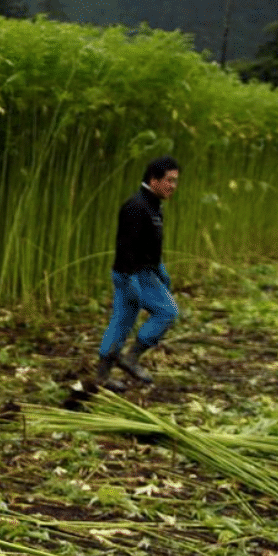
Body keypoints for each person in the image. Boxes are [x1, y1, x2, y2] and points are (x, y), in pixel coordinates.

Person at [94, 155, 180, 392]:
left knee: (125, 321)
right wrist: (127, 279)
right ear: (154, 179)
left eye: (175, 181)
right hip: (132, 273)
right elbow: (126, 247)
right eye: (169, 180)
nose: (173, 186)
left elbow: (150, 245)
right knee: (165, 312)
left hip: (144, 271)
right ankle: (126, 361)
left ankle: (110, 371)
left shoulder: (153, 206)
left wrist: (160, 269)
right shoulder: (136, 206)